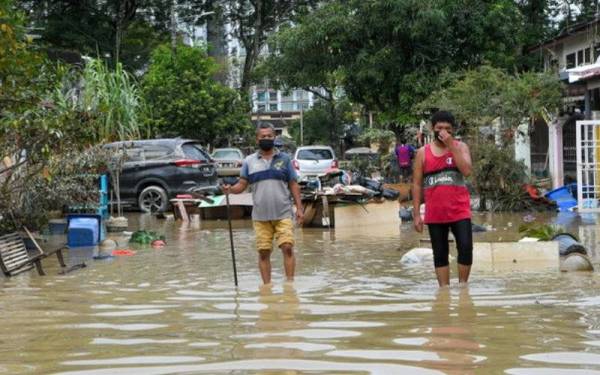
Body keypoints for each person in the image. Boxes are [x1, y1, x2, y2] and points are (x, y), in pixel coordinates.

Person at [223, 123, 304, 285]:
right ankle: (267, 287)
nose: (266, 139)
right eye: (263, 136)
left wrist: (299, 208)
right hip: (260, 216)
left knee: (287, 247)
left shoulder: (285, 159)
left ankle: (290, 285)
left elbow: (293, 184)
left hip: (283, 213)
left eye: (269, 136)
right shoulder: (249, 161)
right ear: (257, 139)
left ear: (274, 138)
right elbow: (242, 185)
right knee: (263, 252)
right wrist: (230, 190)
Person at [412, 111, 473, 287]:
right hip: (435, 212)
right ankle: (444, 291)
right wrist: (416, 214)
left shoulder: (461, 147)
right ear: (432, 129)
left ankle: (463, 287)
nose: (443, 131)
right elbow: (416, 184)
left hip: (460, 210)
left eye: (447, 128)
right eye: (439, 128)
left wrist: (450, 146)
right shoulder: (423, 153)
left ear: (453, 130)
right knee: (439, 253)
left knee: (466, 248)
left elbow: (467, 171)